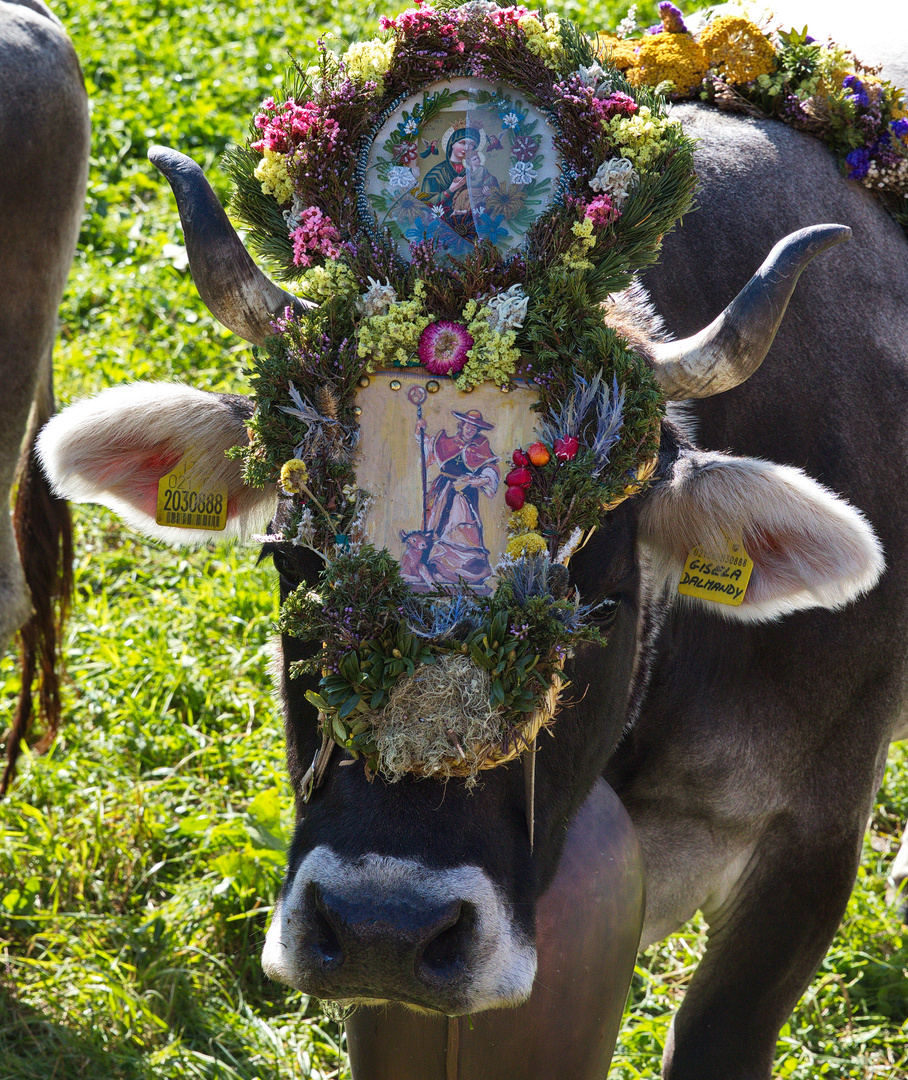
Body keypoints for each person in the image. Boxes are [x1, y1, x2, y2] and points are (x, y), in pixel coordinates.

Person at [408, 409, 500, 589]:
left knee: (462, 527)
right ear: (462, 425)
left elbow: (491, 467)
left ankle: (459, 569)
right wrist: (420, 430)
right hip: (442, 490)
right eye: (468, 425)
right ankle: (433, 566)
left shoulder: (481, 446)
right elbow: (429, 446)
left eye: (474, 427)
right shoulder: (448, 441)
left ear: (477, 429)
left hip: (464, 494)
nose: (470, 429)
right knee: (435, 525)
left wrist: (482, 479)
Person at [420, 127, 499, 235]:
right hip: (443, 230)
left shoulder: (479, 171)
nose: (467, 148)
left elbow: (496, 195)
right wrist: (451, 189)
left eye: (472, 145)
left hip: (474, 227)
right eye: (462, 143)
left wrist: (490, 194)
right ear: (451, 144)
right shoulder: (435, 175)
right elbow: (424, 205)